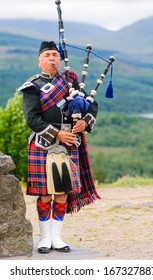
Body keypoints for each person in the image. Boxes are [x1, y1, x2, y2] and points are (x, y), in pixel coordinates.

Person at [19, 41, 100, 254]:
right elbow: (32, 118)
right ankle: (45, 237)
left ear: (60, 58)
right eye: (47, 55)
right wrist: (57, 133)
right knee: (45, 194)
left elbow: (91, 105)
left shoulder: (71, 80)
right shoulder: (32, 86)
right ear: (39, 62)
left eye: (55, 54)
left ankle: (57, 237)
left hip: (70, 144)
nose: (52, 58)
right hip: (43, 144)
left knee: (63, 192)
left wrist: (85, 122)